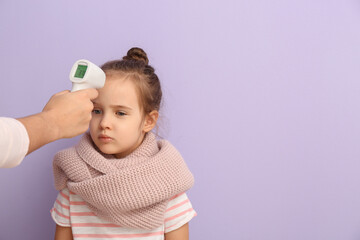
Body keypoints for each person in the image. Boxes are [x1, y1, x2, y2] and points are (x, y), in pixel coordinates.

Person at [50, 48, 196, 240]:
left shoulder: (167, 186)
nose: (104, 123)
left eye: (120, 113)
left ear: (148, 121)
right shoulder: (75, 183)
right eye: (97, 111)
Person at [0, 89, 98, 168]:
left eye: (114, 113)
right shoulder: (70, 165)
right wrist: (53, 121)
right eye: (97, 111)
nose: (104, 123)